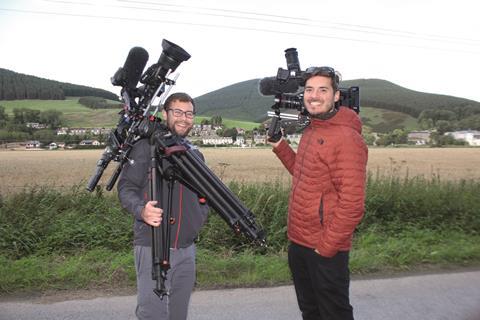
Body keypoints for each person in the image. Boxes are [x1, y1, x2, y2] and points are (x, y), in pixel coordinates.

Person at [268, 66, 368, 320]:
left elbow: (353, 204)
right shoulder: (313, 129)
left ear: (336, 96)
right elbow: (304, 174)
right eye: (309, 90)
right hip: (300, 242)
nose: (314, 96)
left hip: (324, 248)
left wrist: (326, 247)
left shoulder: (346, 137)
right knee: (310, 311)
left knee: (334, 313)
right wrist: (280, 145)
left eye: (322, 90)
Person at [118, 92, 209, 320]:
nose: (183, 118)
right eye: (177, 112)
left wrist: (198, 220)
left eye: (188, 113)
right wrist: (141, 210)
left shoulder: (195, 155)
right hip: (152, 245)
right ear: (165, 114)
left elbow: (205, 197)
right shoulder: (144, 148)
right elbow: (126, 188)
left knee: (178, 314)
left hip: (186, 250)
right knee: (153, 314)